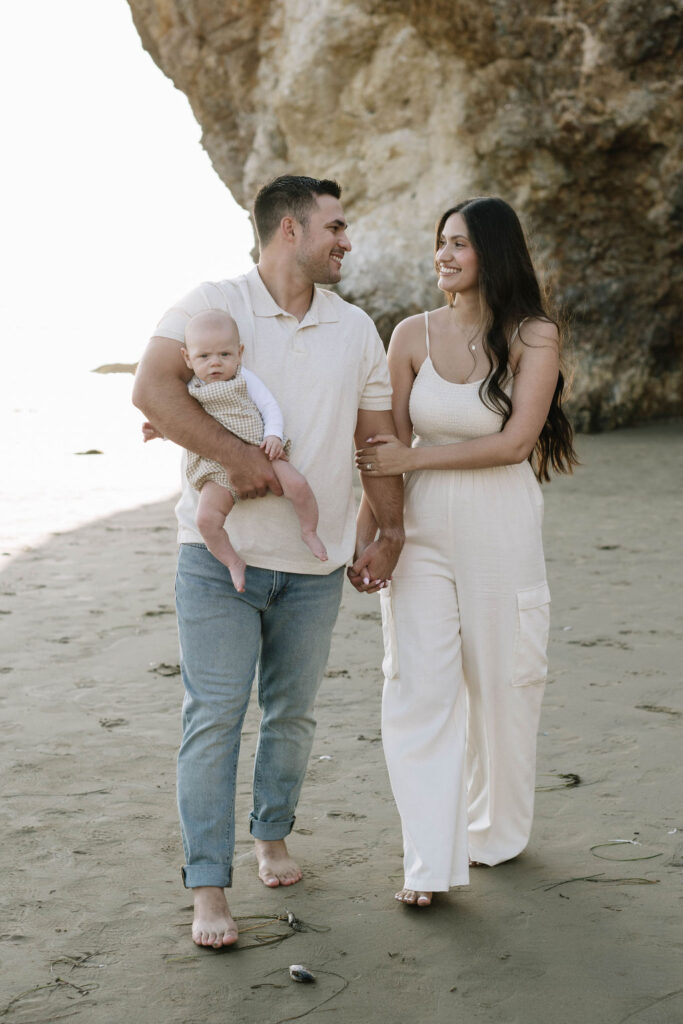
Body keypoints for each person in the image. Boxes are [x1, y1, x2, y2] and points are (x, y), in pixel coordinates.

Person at [132, 175, 404, 947]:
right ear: (290, 230)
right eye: (334, 227)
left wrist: (390, 531)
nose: (344, 240)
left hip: (314, 571)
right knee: (213, 717)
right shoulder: (212, 301)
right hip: (217, 562)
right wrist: (241, 459)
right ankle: (209, 890)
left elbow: (374, 442)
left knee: (291, 716)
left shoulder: (355, 327)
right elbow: (153, 389)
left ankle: (271, 834)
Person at [355, 196, 577, 907]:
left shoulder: (532, 336)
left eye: (459, 244)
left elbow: (514, 444)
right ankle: (428, 863)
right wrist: (371, 535)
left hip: (499, 528)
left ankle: (494, 833)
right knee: (416, 689)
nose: (443, 256)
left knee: (503, 686)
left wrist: (411, 465)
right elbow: (378, 448)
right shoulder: (410, 335)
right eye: (439, 243)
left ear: (493, 252)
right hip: (416, 533)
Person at [144, 308, 328, 593]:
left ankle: (309, 531)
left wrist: (274, 436)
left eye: (224, 355)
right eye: (204, 357)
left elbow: (269, 407)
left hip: (260, 448)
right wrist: (161, 431)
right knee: (205, 520)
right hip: (215, 467)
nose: (215, 363)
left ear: (239, 353)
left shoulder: (244, 379)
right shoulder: (191, 391)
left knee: (299, 485)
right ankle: (232, 561)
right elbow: (184, 425)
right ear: (187, 358)